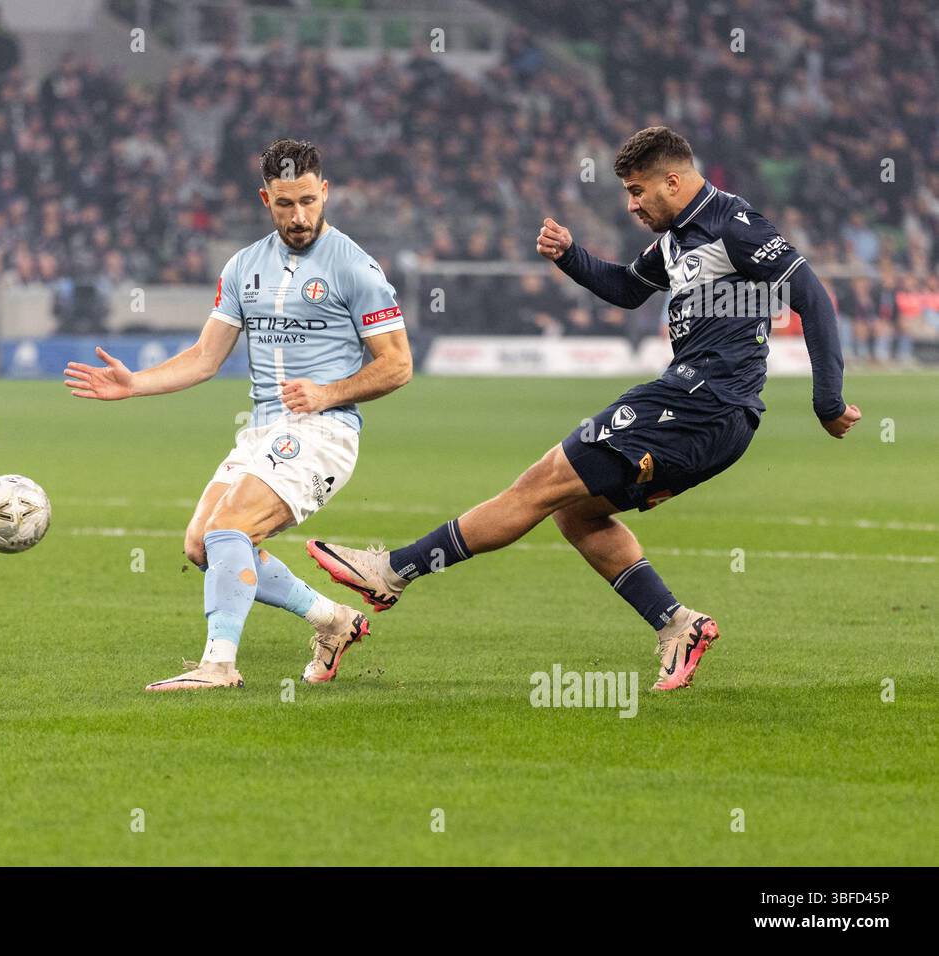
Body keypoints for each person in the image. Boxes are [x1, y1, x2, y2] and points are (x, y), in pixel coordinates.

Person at [305, 127, 861, 692]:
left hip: (701, 401)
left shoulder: (732, 225)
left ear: (674, 180)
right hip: (706, 412)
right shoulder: (676, 240)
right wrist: (571, 255)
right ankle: (677, 625)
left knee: (543, 481)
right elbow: (625, 288)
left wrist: (827, 400)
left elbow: (810, 294)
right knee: (576, 511)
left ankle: (392, 571)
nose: (632, 204)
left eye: (638, 191)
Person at [64, 139, 413, 691]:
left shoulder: (355, 267)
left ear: (324, 192)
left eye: (307, 201)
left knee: (231, 525)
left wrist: (327, 393)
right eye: (284, 204)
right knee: (203, 544)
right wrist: (135, 384)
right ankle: (333, 620)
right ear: (264, 199)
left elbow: (397, 365)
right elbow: (205, 357)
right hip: (263, 431)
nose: (298, 217)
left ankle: (219, 664)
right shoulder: (243, 266)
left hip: (324, 431)